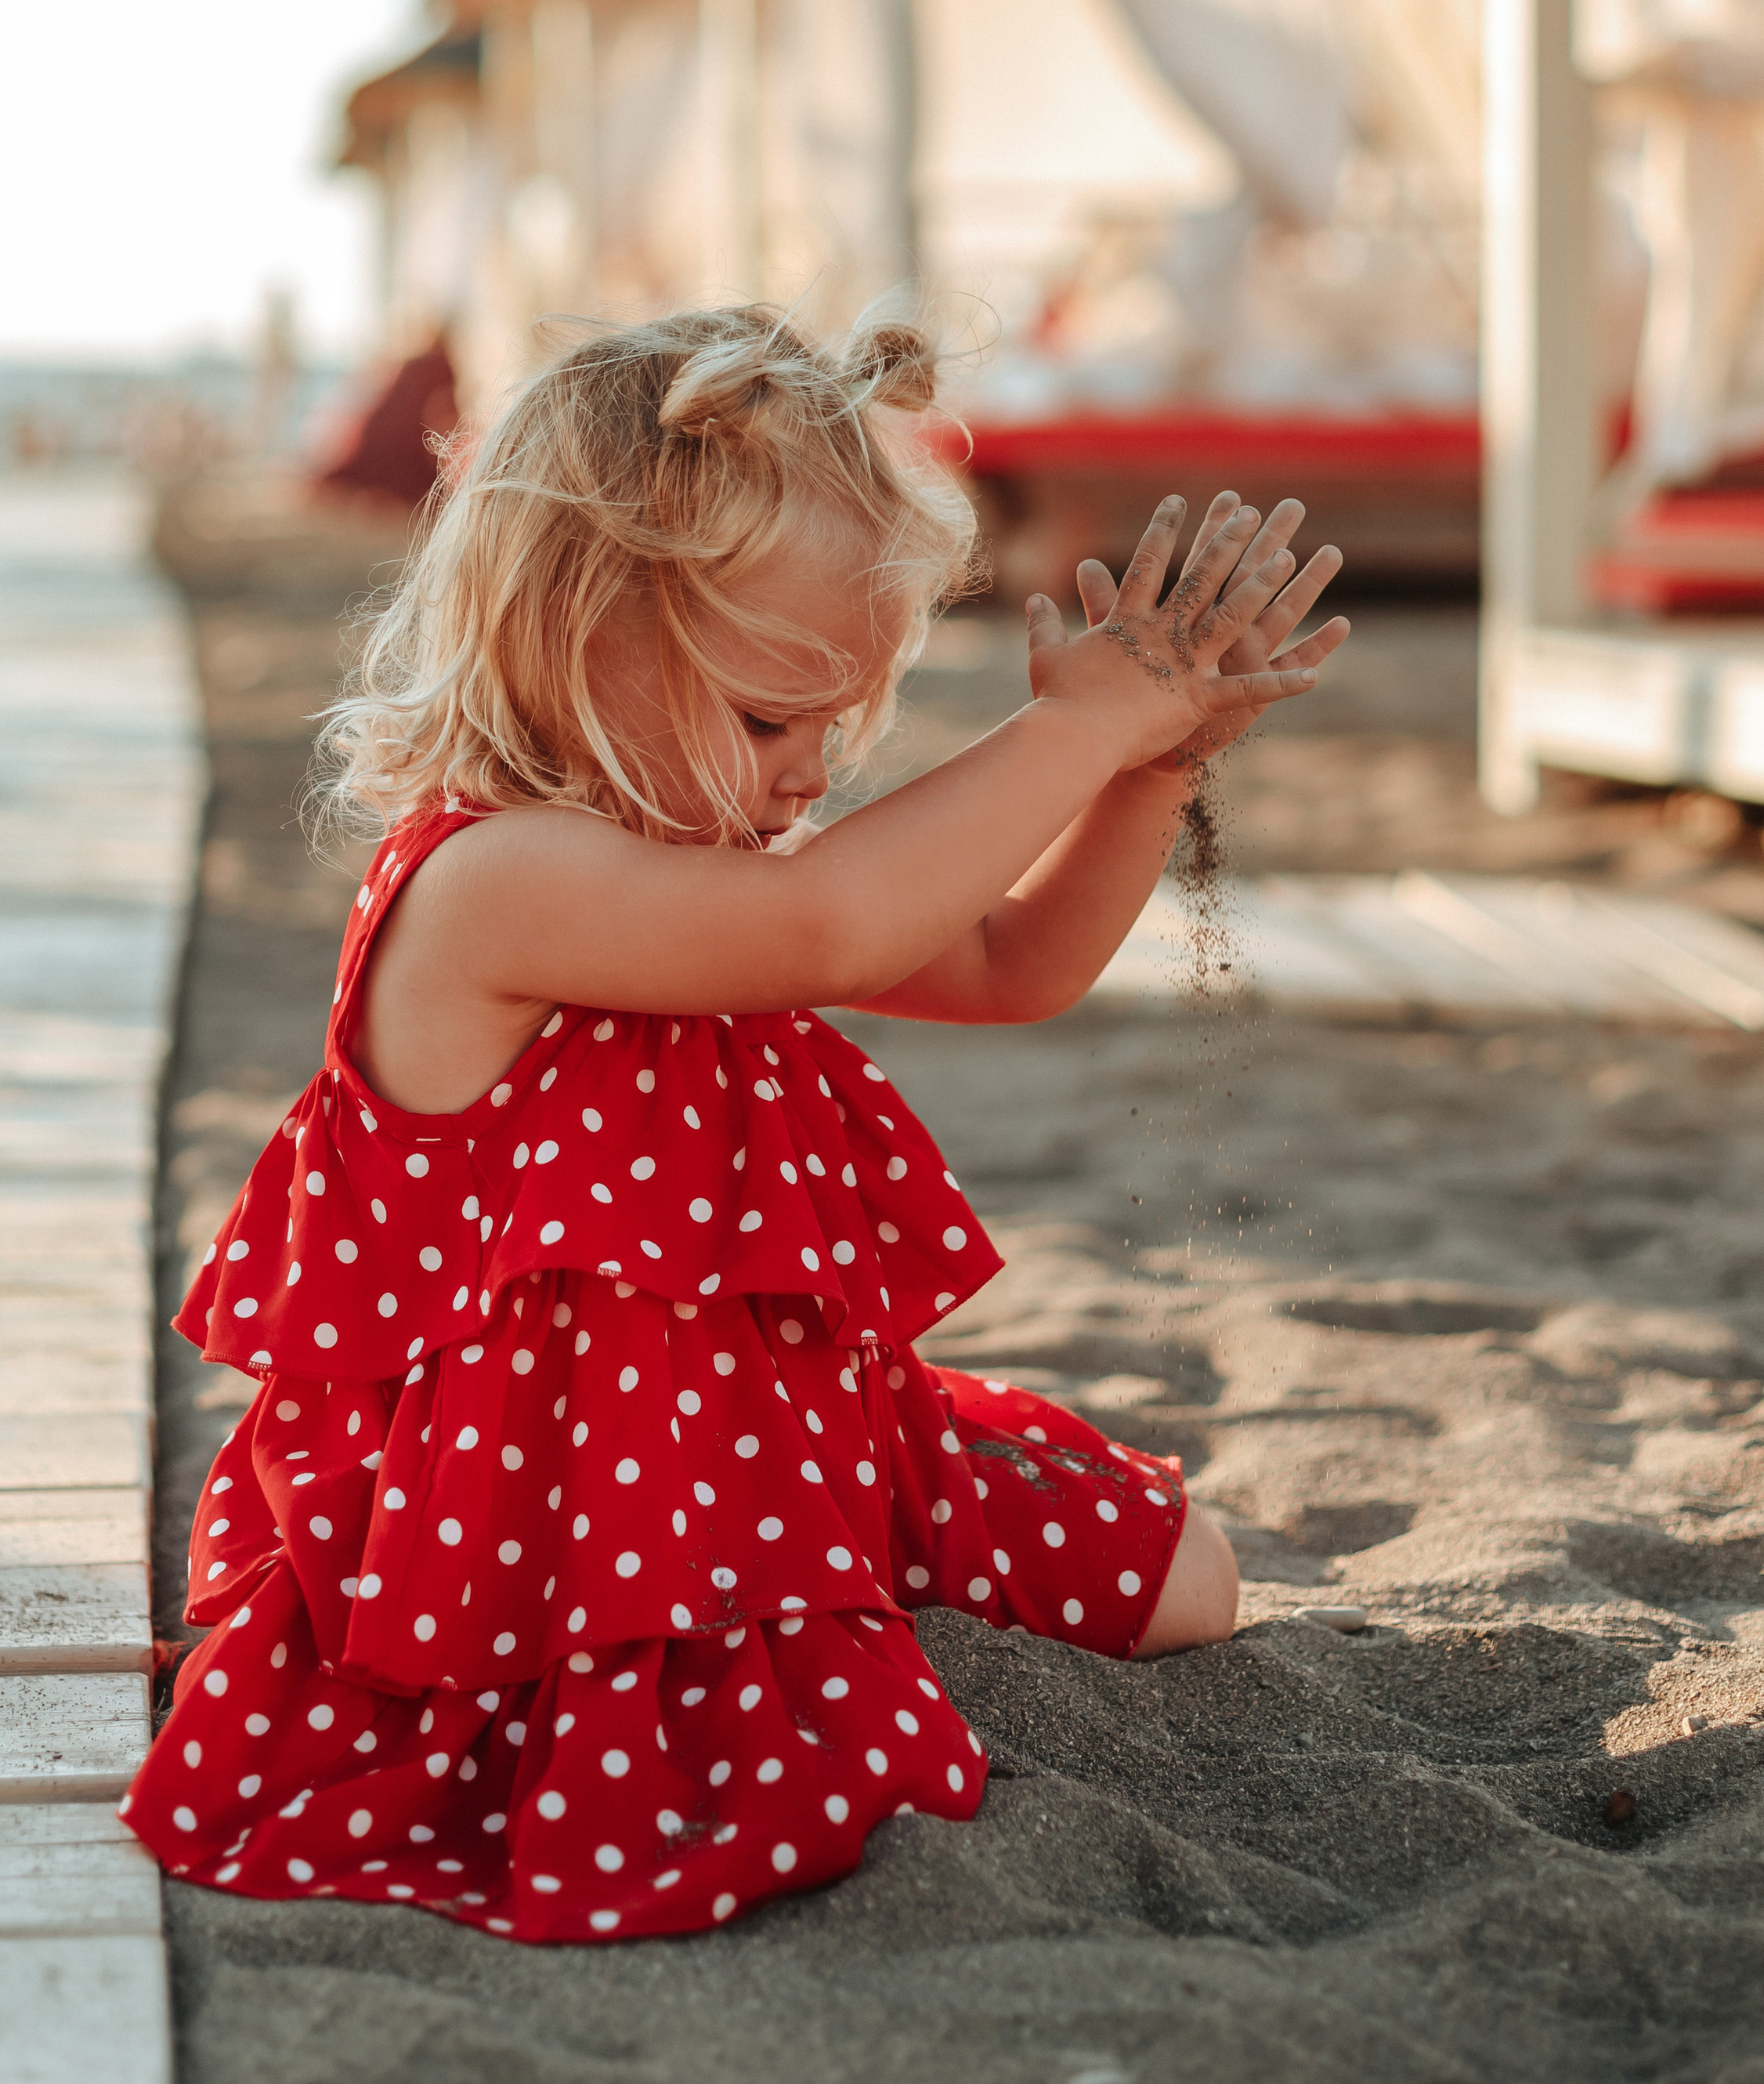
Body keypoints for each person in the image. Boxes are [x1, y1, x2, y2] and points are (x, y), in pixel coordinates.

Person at [121, 304, 1347, 1942]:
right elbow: (833, 928)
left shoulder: (713, 873)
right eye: (770, 719)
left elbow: (1010, 961)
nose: (807, 774)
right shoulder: (495, 886)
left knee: (1190, 1579)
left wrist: (1138, 772)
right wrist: (1071, 725)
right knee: (729, 1772)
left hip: (776, 1450)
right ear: (567, 633)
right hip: (544, 1533)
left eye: (838, 725)